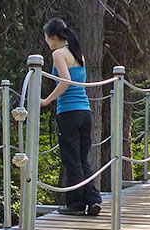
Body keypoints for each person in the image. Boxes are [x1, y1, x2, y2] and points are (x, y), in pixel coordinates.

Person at [39, 18, 102, 216]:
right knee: (83, 159)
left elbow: (65, 81)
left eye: (46, 38)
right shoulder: (77, 53)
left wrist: (46, 101)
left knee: (71, 159)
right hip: (85, 111)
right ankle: (92, 199)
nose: (47, 42)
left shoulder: (58, 54)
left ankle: (75, 203)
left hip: (68, 112)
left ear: (52, 37)